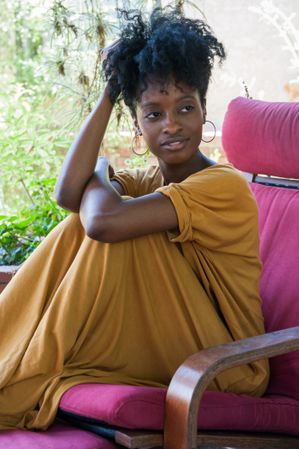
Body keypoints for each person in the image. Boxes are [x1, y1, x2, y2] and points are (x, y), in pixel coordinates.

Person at [0, 7, 269, 431]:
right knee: (84, 222)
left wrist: (102, 170)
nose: (172, 125)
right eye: (154, 113)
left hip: (225, 365)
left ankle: (18, 369)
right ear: (137, 123)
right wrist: (111, 91)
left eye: (185, 107)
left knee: (116, 228)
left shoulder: (224, 185)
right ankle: (13, 359)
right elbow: (69, 194)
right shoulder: (147, 181)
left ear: (203, 110)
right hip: (174, 343)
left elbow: (102, 222)